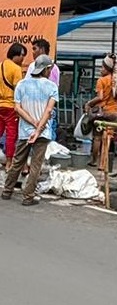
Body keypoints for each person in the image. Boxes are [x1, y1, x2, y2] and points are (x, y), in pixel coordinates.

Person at [1, 55, 58, 206]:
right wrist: (38, 128)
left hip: (25, 131)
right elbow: (48, 111)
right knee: (35, 165)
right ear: (46, 69)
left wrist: (31, 122)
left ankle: (7, 191)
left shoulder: (21, 84)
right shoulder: (52, 87)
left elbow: (17, 108)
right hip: (43, 132)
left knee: (17, 161)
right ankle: (28, 197)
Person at [83, 53, 117, 169]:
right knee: (107, 138)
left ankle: (94, 161)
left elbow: (100, 97)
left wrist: (89, 103)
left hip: (102, 113)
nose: (100, 69)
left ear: (107, 68)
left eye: (102, 67)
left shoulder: (101, 81)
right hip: (114, 114)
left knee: (97, 138)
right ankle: (103, 164)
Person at [0, 44, 26, 171]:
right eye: (22, 55)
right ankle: (9, 162)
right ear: (16, 54)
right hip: (11, 107)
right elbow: (18, 90)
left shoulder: (0, 65)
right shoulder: (16, 69)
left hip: (0, 105)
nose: (23, 59)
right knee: (11, 135)